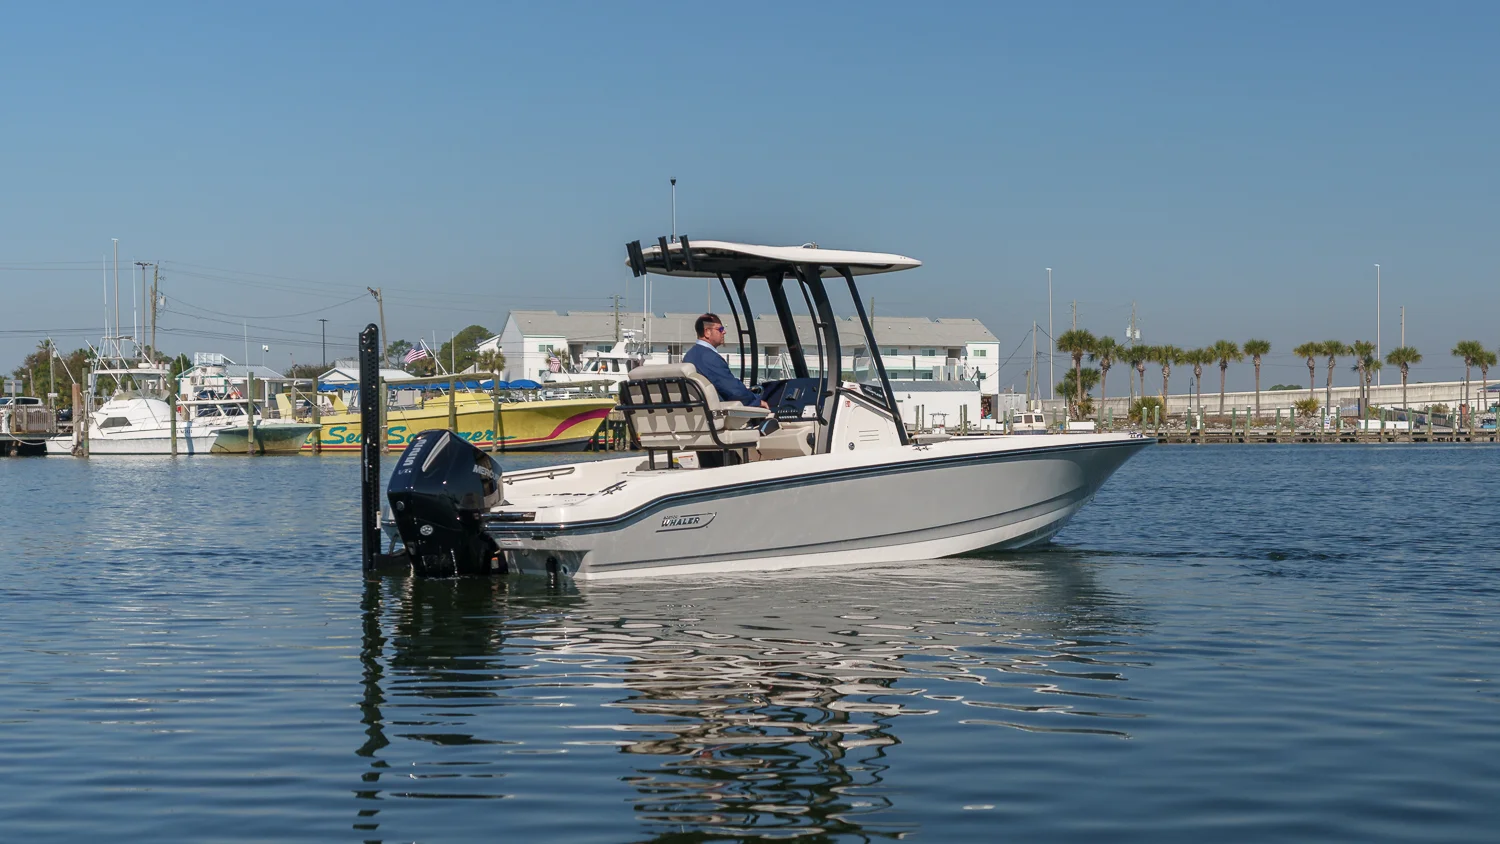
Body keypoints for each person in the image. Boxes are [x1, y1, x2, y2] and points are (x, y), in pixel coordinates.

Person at [682, 313, 766, 408]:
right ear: (707, 332)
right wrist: (756, 400)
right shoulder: (710, 358)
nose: (724, 332)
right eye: (720, 329)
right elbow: (734, 391)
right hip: (718, 416)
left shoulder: (689, 356)